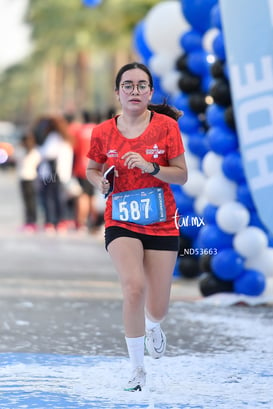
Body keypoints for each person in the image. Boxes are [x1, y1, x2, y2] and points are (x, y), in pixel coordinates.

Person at [86, 62, 187, 391]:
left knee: (157, 306)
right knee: (133, 287)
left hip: (161, 222)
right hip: (120, 220)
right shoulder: (102, 131)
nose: (134, 91)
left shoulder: (167, 128)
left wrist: (151, 167)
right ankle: (137, 370)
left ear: (150, 92)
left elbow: (181, 174)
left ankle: (153, 326)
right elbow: (91, 168)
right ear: (117, 93)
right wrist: (100, 182)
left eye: (141, 85)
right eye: (127, 85)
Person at [15, 132, 41, 232]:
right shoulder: (35, 151)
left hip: (25, 178)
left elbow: (15, 156)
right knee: (32, 201)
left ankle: (30, 221)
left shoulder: (22, 151)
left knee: (28, 202)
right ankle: (31, 221)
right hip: (32, 177)